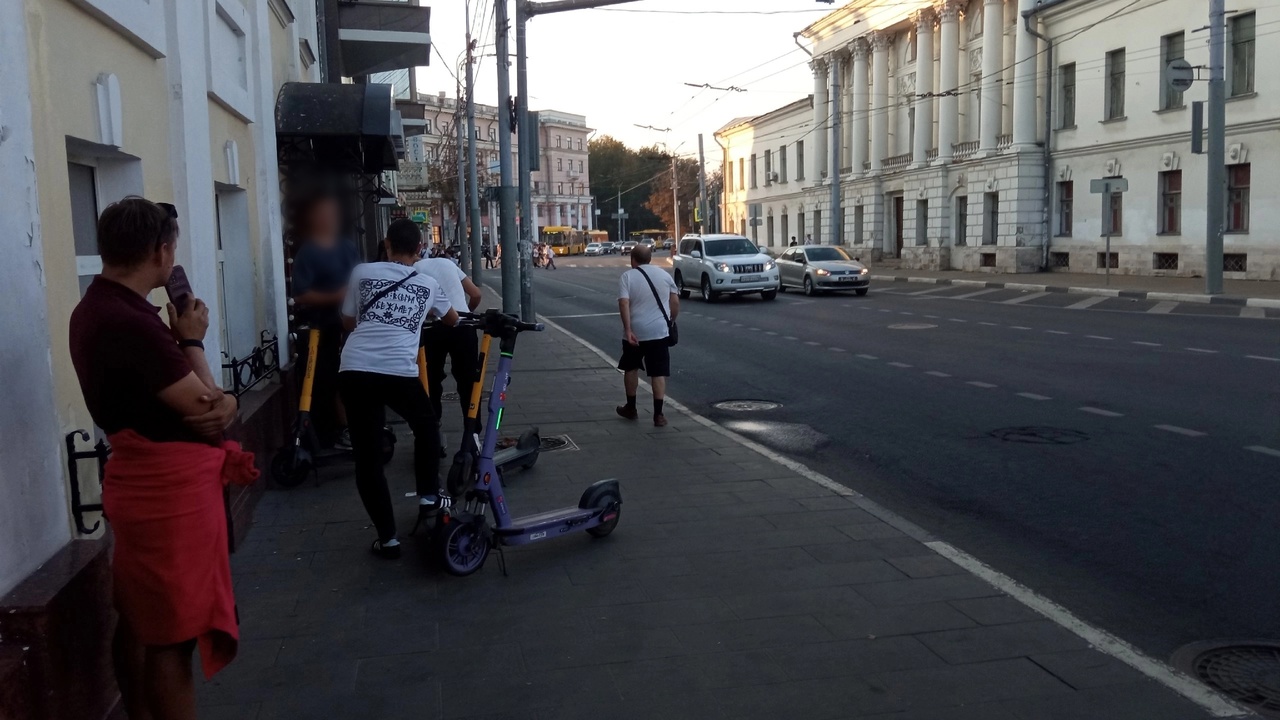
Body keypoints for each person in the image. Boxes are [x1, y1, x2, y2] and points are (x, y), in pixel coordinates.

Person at [69, 197, 250, 720]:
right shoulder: (132, 324)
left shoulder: (95, 307)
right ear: (160, 250)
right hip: (170, 497)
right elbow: (211, 408)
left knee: (140, 619)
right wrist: (192, 342)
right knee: (174, 635)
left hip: (140, 484)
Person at [339, 219, 459, 559]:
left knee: (368, 455)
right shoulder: (427, 282)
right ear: (420, 249)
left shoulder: (361, 273)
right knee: (425, 425)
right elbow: (452, 319)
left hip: (355, 368)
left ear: (387, 245)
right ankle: (426, 495)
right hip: (397, 371)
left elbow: (348, 322)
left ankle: (388, 539)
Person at [289, 192, 359, 449]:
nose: (329, 219)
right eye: (324, 214)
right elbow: (300, 294)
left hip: (353, 325)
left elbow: (359, 279)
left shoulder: (347, 247)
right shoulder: (308, 252)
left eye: (332, 214)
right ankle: (341, 431)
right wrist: (337, 295)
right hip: (324, 328)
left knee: (355, 378)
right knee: (331, 380)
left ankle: (358, 426)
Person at [415, 248, 483, 424]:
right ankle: (473, 433)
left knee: (430, 378)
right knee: (469, 380)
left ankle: (433, 427)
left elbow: (425, 308)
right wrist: (467, 312)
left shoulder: (412, 271)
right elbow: (476, 294)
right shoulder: (447, 263)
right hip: (463, 326)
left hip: (433, 329)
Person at [616, 245, 679, 427]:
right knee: (658, 372)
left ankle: (631, 408)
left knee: (631, 368)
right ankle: (658, 415)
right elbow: (674, 302)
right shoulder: (664, 275)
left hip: (635, 333)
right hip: (659, 332)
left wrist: (628, 330)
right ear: (650, 258)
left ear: (632, 259)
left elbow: (624, 304)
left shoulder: (627, 277)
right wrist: (671, 321)